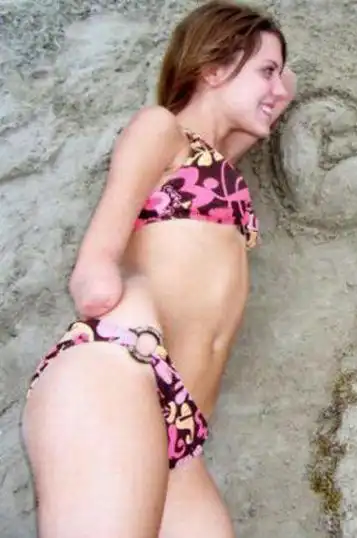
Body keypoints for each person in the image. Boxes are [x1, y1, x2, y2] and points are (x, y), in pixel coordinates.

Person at [20, 1, 295, 537]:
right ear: (212, 68)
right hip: (124, 368)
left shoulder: (219, 166)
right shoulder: (161, 129)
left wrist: (266, 66)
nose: (278, 87)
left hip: (181, 432)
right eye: (266, 70)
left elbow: (282, 94)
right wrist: (102, 287)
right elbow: (97, 255)